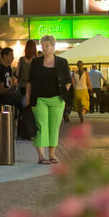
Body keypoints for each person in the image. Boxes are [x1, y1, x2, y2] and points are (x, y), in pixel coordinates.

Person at [26, 35, 72, 165]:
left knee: (54, 127)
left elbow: (68, 81)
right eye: (43, 46)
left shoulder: (62, 62)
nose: (44, 48)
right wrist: (28, 98)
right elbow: (30, 82)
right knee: (42, 126)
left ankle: (52, 154)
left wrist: (64, 91)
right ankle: (41, 155)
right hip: (39, 99)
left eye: (47, 46)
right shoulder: (36, 62)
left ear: (53, 47)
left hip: (57, 99)